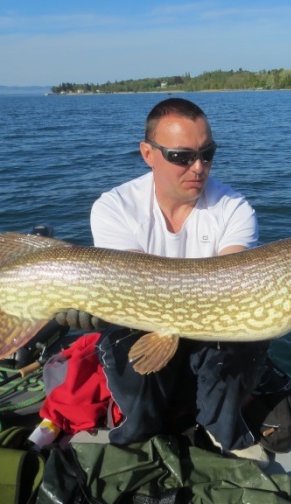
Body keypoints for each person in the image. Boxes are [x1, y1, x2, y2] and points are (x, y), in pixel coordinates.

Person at [89, 98, 271, 462]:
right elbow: (138, 285)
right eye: (181, 156)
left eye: (208, 153)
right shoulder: (114, 207)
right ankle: (143, 432)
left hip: (211, 322)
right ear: (148, 153)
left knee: (247, 340)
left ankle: (221, 431)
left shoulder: (233, 208)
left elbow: (234, 282)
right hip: (141, 319)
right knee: (131, 360)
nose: (199, 167)